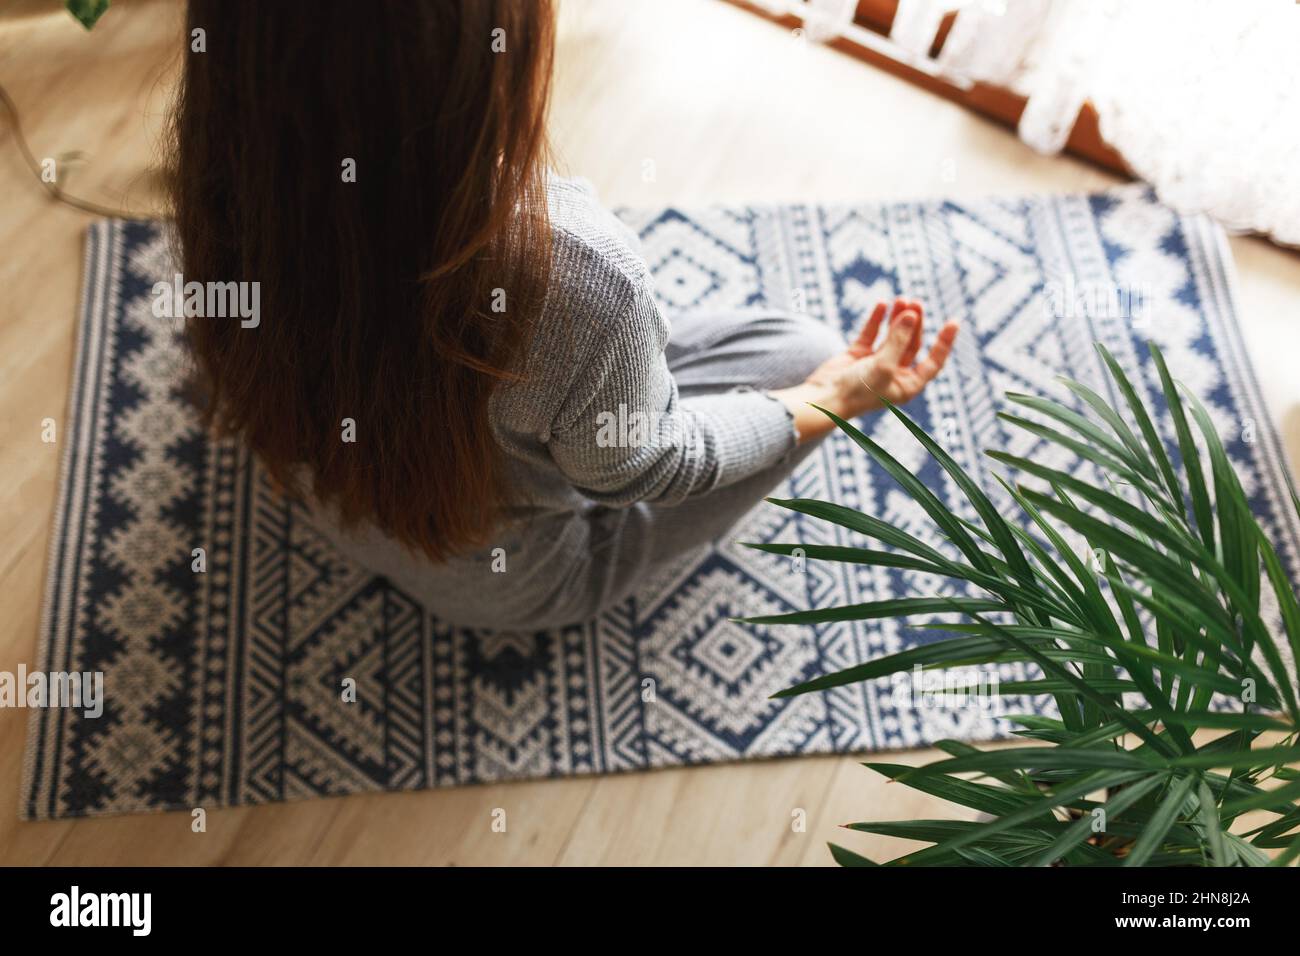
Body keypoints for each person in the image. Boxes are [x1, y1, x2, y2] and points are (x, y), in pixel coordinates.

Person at [168, 0, 959, 630]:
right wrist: (833, 398)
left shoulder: (218, 158)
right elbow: (646, 470)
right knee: (806, 353)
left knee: (592, 369)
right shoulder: (576, 273)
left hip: (323, 489)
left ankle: (594, 388)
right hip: (503, 585)